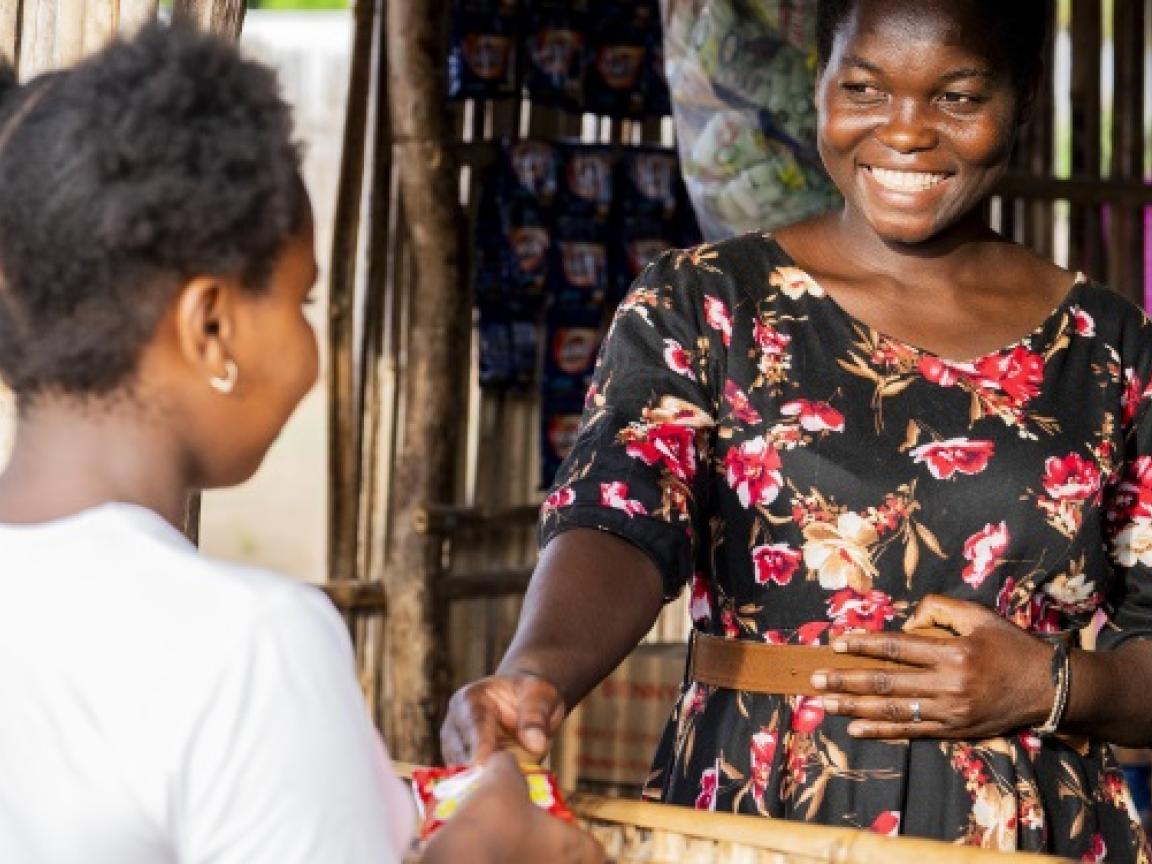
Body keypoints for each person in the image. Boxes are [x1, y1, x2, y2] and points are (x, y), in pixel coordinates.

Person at [442, 0, 1152, 858]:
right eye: (864, 87)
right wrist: (534, 673)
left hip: (1031, 831)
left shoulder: (1105, 346)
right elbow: (618, 522)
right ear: (819, 85)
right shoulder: (705, 303)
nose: (906, 132)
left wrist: (1055, 686)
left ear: (1022, 102)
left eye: (957, 98)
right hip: (757, 809)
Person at [0, 23, 602, 864]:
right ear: (211, 326)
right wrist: (486, 851)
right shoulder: (247, 645)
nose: (311, 351)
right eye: (301, 303)